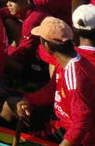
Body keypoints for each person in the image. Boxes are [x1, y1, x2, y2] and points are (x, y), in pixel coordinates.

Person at [8, 17, 95, 145]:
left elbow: (81, 123)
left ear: (47, 46)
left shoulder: (75, 77)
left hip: (75, 135)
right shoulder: (66, 62)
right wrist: (27, 100)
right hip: (61, 122)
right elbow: (51, 91)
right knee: (12, 104)